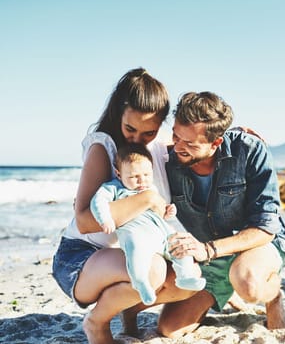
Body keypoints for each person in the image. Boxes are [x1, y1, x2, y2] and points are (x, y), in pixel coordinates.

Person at [52, 67, 199, 344]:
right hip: (82, 256)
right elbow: (84, 221)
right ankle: (97, 322)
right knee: (153, 271)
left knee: (187, 278)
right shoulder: (103, 148)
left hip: (128, 252)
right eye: (130, 128)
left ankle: (127, 309)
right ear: (118, 112)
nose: (136, 139)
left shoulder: (156, 146)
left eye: (148, 132)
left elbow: (199, 138)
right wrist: (145, 199)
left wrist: (237, 136)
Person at [158, 91, 285, 337]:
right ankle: (225, 289)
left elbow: (265, 226)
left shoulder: (249, 150)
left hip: (258, 245)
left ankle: (272, 295)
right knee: (169, 329)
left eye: (190, 143)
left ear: (216, 142)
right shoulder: (168, 157)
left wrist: (208, 249)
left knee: (249, 285)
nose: (178, 147)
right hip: (211, 255)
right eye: (176, 136)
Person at [90, 143, 206, 306]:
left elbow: (158, 211)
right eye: (133, 177)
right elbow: (98, 202)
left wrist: (168, 211)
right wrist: (105, 219)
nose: (141, 180)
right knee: (137, 252)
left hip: (161, 232)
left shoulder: (151, 188)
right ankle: (140, 281)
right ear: (118, 174)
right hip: (136, 232)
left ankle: (185, 277)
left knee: (180, 244)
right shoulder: (113, 188)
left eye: (146, 174)